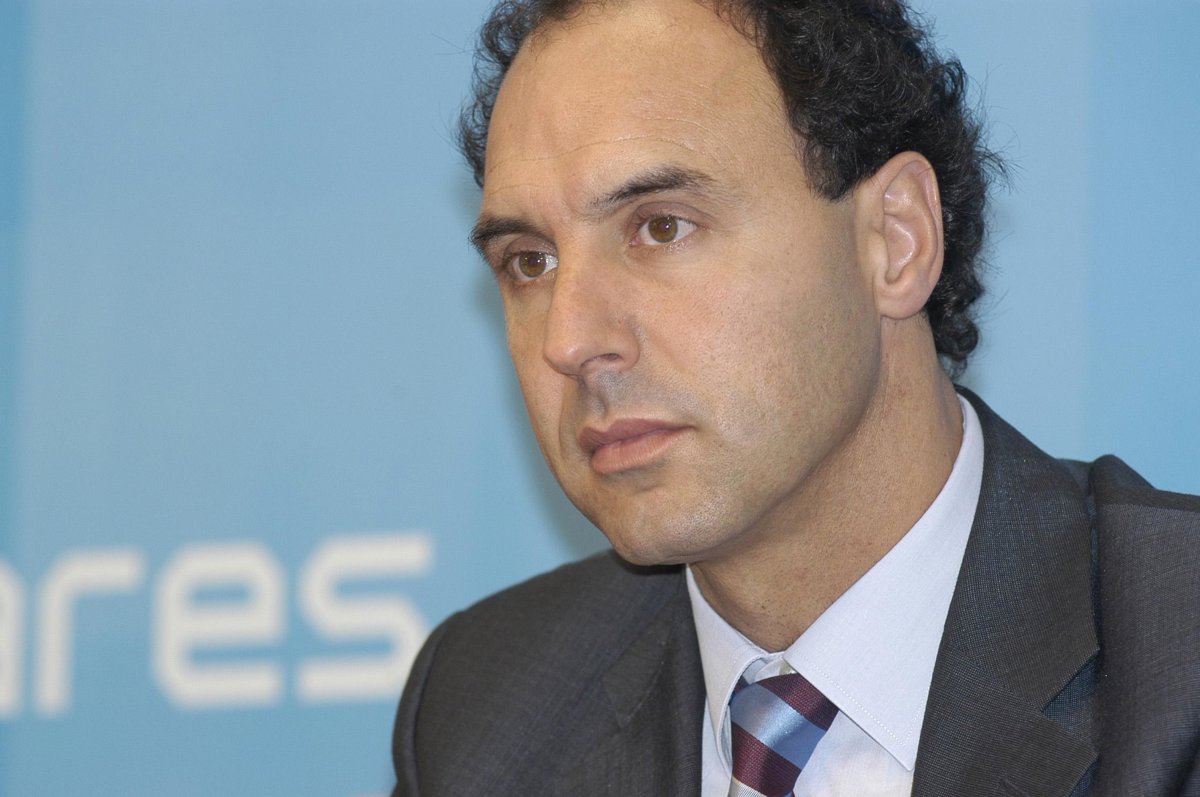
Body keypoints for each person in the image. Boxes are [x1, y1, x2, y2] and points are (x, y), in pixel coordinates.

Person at [391, 0, 1200, 794]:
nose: (569, 341)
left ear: (896, 240)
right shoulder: (485, 717)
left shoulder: (1177, 654)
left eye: (662, 226)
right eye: (529, 262)